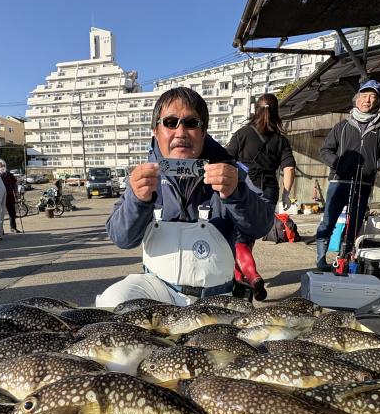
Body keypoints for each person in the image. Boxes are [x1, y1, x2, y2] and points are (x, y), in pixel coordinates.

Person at [97, 87, 275, 307]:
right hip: (157, 289)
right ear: (155, 130)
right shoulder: (144, 176)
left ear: (203, 131)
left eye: (191, 123)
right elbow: (121, 238)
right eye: (170, 122)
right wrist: (137, 199)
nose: (180, 132)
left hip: (216, 297)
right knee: (112, 301)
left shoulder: (230, 173)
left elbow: (262, 226)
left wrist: (236, 193)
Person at [316, 79, 380, 270]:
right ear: (357, 98)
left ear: (378, 101)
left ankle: (344, 258)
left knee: (354, 223)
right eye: (364, 96)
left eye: (372, 97)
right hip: (339, 181)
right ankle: (320, 259)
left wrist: (376, 164)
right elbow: (325, 150)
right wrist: (338, 163)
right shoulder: (342, 126)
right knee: (328, 220)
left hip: (364, 182)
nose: (367, 100)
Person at [225, 93, 296, 300]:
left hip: (245, 189)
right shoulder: (280, 140)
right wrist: (286, 194)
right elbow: (289, 168)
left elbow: (227, 159)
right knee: (250, 237)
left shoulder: (243, 133)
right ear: (276, 113)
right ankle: (239, 277)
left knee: (238, 239)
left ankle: (253, 277)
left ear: (256, 110)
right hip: (269, 191)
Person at [0, 159, 22, 233]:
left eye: (3, 165)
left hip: (10, 196)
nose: (3, 167)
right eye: (1, 165)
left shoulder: (10, 174)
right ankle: (0, 229)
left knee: (12, 213)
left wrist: (16, 193)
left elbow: (14, 184)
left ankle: (13, 228)